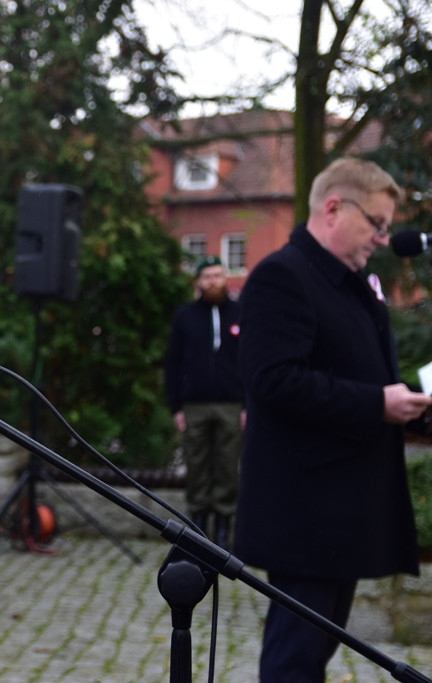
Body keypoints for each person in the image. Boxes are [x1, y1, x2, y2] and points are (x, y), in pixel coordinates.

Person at [235, 157, 431, 682]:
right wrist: (378, 404)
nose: (383, 238)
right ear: (333, 208)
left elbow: (362, 375)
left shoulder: (352, 284)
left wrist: (411, 406)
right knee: (294, 659)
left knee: (312, 656)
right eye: (377, 223)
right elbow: (274, 381)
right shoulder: (283, 276)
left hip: (341, 507)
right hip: (306, 510)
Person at [163, 255, 244, 550]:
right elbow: (173, 363)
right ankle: (198, 527)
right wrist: (176, 407)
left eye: (218, 276)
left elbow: (250, 360)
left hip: (231, 404)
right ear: (198, 282)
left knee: (226, 466)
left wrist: (247, 404)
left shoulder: (240, 313)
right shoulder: (185, 317)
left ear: (226, 279)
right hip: (194, 404)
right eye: (207, 277)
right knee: (196, 465)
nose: (213, 281)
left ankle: (223, 528)